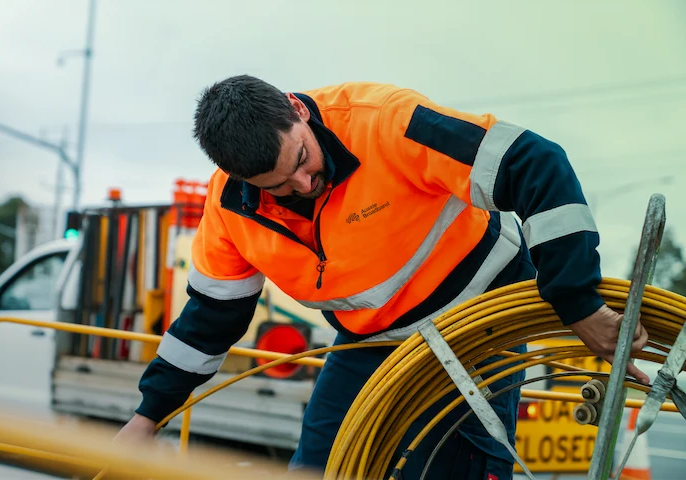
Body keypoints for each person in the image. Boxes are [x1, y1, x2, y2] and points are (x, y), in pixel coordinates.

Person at [117, 75, 650, 479]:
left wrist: (577, 303)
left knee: (458, 466)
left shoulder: (386, 122)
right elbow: (208, 321)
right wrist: (147, 418)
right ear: (241, 179)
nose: (306, 183)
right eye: (280, 185)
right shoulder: (229, 210)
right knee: (323, 465)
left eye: (303, 159)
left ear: (297, 110)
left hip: (479, 318)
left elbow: (534, 163)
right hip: (373, 337)